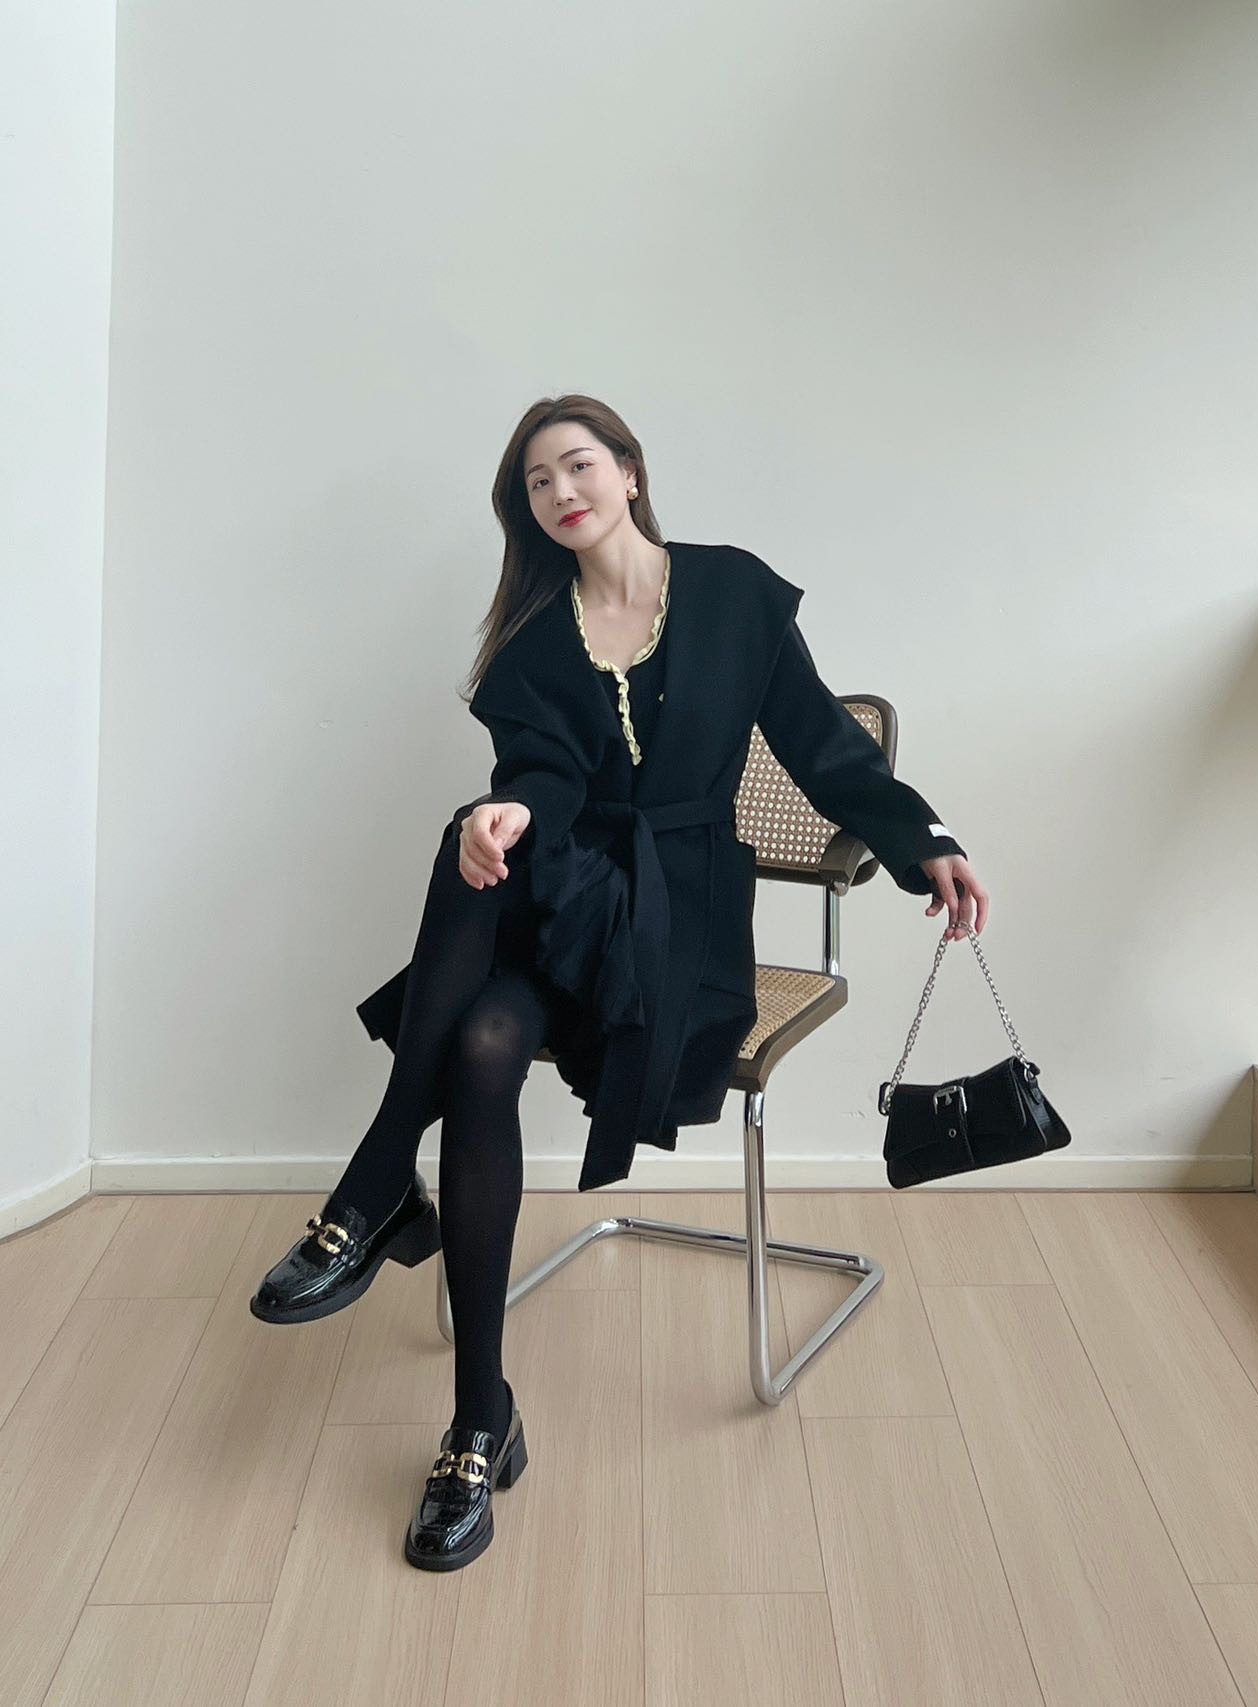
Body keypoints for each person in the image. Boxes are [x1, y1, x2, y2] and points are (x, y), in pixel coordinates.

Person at [248, 393, 990, 1572]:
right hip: (562, 901)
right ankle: (478, 1419)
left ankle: (380, 1180)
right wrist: (507, 813)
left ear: (630, 472)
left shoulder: (732, 593)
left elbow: (821, 745)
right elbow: (541, 773)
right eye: (536, 483)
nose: (560, 492)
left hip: (677, 930)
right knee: (479, 997)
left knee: (473, 983)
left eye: (577, 465)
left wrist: (924, 842)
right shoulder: (535, 642)